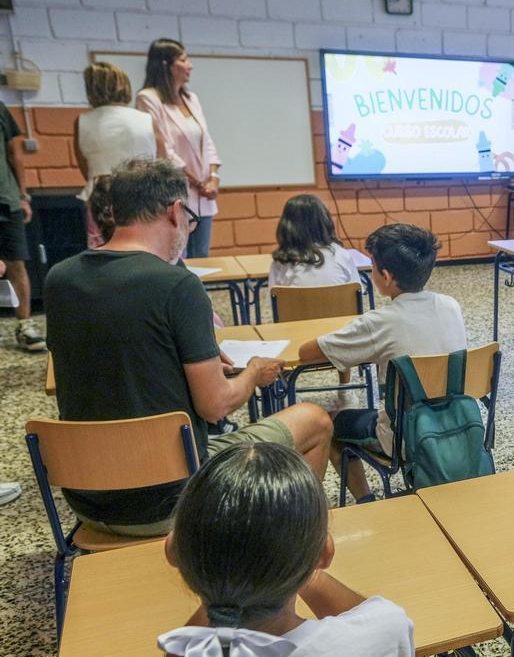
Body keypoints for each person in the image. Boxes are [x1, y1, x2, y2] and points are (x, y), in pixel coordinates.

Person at [44, 158, 332, 537]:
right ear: (176, 211)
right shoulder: (178, 286)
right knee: (316, 420)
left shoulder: (59, 279)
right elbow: (215, 407)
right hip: (173, 497)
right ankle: (291, 547)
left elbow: (119, 359)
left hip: (88, 498)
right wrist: (251, 374)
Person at [158, 442, 414, 657]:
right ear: (325, 554)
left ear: (173, 550)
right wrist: (297, 561)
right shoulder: (387, 631)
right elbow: (373, 616)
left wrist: (227, 574)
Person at [298, 223, 466, 504]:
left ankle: (366, 501)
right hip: (458, 425)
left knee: (328, 424)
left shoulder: (381, 321)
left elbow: (308, 352)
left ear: (385, 276)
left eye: (372, 267)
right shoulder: (451, 305)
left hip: (403, 437)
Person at [136, 38, 221, 258]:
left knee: (202, 260)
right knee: (176, 258)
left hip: (204, 196)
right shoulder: (149, 98)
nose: (190, 65)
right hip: (175, 194)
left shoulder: (192, 99)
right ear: (166, 64)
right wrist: (198, 182)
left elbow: (207, 141)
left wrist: (213, 178)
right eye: (183, 60)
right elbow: (162, 149)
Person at [74, 62, 161, 249]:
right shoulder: (146, 119)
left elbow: (85, 168)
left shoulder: (83, 122)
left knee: (105, 250)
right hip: (143, 195)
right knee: (146, 249)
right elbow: (162, 162)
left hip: (101, 199)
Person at [0, 99, 43, 351]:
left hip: (6, 198)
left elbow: (14, 151)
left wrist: (23, 195)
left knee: (16, 262)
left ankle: (25, 325)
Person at [269, 194, 359, 288]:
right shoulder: (342, 255)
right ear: (325, 221)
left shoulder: (280, 263)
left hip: (297, 303)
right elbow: (357, 295)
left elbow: (274, 300)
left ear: (286, 226)